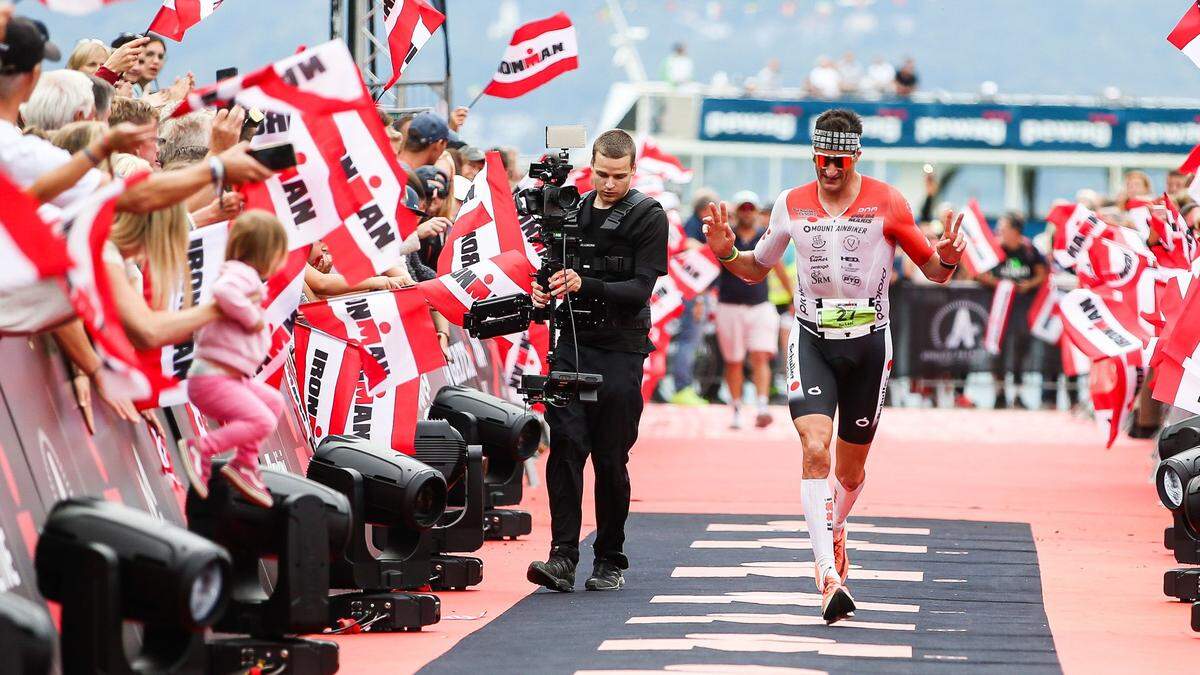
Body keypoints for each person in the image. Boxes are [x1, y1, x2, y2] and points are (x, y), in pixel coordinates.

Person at [702, 108, 964, 623]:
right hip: (812, 339)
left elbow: (934, 272)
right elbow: (757, 270)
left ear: (856, 156)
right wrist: (726, 251)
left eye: (839, 160)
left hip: (869, 344)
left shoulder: (888, 201)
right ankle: (828, 575)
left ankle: (836, 526)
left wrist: (950, 255)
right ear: (813, 155)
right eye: (822, 159)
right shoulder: (791, 204)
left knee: (852, 468)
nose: (830, 169)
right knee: (814, 447)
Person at [526, 129, 668, 593]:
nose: (609, 184)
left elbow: (640, 290)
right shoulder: (569, 212)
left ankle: (609, 558)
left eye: (619, 176)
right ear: (591, 167)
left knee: (610, 458)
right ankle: (562, 556)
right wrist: (544, 290)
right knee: (565, 447)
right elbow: (549, 275)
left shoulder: (648, 216)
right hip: (571, 342)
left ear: (633, 170)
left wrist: (585, 285)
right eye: (603, 175)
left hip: (622, 350)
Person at [179, 211, 290, 508]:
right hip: (213, 377)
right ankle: (201, 448)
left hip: (231, 377)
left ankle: (244, 462)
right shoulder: (242, 274)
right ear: (267, 251)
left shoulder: (245, 276)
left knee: (273, 402)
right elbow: (224, 291)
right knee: (262, 419)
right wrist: (252, 319)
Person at [715, 190, 789, 429]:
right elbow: (709, 265)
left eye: (751, 209)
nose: (747, 213)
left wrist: (794, 295)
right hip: (729, 305)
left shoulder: (764, 237)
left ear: (757, 212)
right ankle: (736, 408)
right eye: (743, 209)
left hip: (760, 304)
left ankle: (762, 405)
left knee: (760, 355)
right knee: (734, 360)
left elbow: (777, 267)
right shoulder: (727, 236)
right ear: (737, 212)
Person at [975, 213, 1047, 409]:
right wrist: (1001, 285)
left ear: (1015, 231)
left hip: (1023, 310)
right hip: (997, 310)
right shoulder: (994, 249)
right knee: (996, 349)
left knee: (1021, 351)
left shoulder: (1030, 250)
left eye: (1003, 228)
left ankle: (1017, 395)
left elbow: (1043, 273)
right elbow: (977, 272)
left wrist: (1029, 284)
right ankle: (999, 394)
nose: (999, 232)